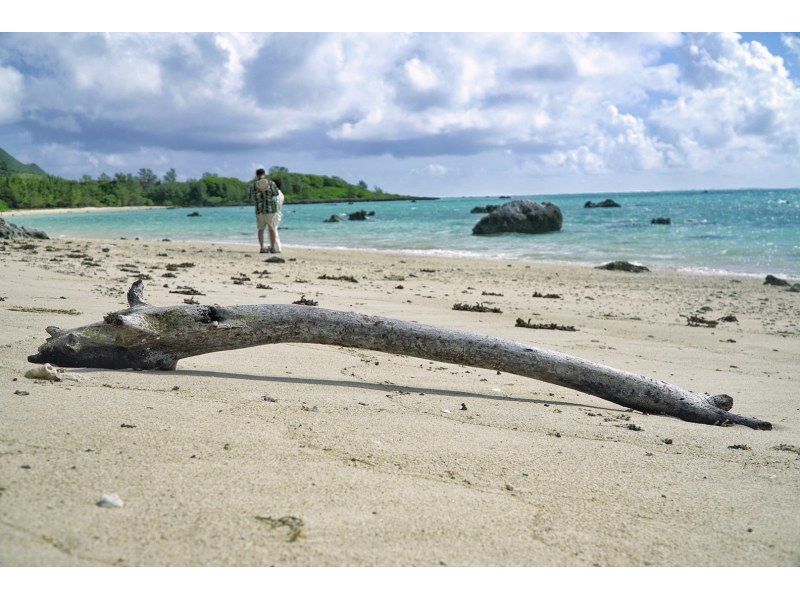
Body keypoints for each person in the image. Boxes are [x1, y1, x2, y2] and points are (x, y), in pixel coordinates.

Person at [249, 168, 283, 253]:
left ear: (256, 175)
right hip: (270, 209)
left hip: (259, 210)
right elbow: (276, 193)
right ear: (264, 174)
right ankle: (272, 247)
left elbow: (251, 197)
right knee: (272, 229)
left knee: (261, 229)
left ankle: (262, 247)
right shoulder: (271, 183)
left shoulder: (253, 185)